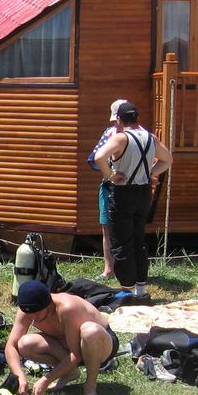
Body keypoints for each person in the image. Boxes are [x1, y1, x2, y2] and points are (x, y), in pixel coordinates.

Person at [93, 101, 174, 299]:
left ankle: (126, 289)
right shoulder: (151, 137)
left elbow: (98, 157)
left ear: (119, 119)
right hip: (144, 193)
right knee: (138, 239)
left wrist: (111, 175)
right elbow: (168, 160)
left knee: (121, 242)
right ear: (137, 117)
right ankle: (141, 288)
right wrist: (150, 173)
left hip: (123, 192)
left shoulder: (121, 138)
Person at [4, 280, 116, 395]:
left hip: (100, 345)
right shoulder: (27, 311)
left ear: (49, 303)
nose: (34, 317)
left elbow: (76, 354)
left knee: (90, 331)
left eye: (38, 313)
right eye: (30, 315)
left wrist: (46, 379)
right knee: (24, 344)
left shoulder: (68, 307)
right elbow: (11, 346)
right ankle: (70, 372)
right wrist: (19, 375)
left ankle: (90, 387)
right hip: (67, 346)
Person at [87, 99, 128, 279]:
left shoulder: (140, 135)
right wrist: (110, 173)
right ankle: (109, 269)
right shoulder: (109, 133)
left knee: (128, 228)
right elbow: (95, 158)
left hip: (129, 187)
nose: (116, 123)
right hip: (109, 186)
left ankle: (127, 268)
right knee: (107, 227)